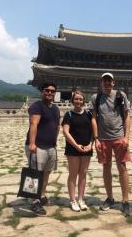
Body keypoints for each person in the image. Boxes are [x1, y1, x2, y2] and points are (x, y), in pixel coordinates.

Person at [90, 72, 132, 217]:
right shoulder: (96, 98)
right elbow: (94, 118)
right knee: (106, 167)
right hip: (103, 138)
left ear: (113, 82)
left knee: (122, 167)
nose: (107, 83)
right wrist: (96, 139)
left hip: (119, 137)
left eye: (110, 81)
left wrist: (126, 137)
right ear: (100, 82)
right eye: (105, 81)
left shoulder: (121, 96)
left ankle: (125, 200)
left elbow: (127, 116)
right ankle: (110, 198)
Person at [25, 83, 60, 216]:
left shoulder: (56, 109)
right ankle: (34, 201)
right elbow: (34, 124)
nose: (50, 93)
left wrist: (54, 141)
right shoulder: (37, 106)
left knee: (46, 173)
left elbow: (57, 126)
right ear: (42, 91)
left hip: (50, 146)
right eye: (47, 90)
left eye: (52, 91)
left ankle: (42, 195)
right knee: (35, 174)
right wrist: (32, 143)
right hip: (37, 146)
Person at [62, 90, 93, 212]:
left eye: (81, 99)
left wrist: (91, 144)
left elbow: (93, 132)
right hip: (73, 148)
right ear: (72, 101)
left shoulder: (89, 115)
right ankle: (72, 200)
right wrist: (76, 145)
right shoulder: (68, 115)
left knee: (83, 173)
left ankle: (81, 198)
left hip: (86, 148)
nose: (78, 101)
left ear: (84, 101)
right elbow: (65, 132)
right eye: (76, 99)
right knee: (73, 174)